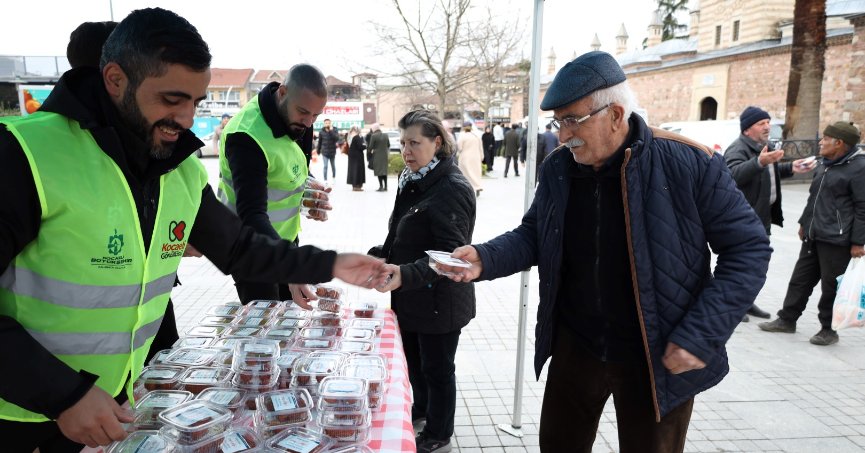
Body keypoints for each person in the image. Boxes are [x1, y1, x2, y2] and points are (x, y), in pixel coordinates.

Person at [0, 9, 388, 451]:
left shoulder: (177, 168)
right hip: (18, 412)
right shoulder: (23, 153)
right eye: (171, 99)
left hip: (106, 406)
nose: (186, 119)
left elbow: (241, 248)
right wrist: (62, 394)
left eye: (195, 103)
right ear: (115, 79)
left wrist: (329, 263)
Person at [438, 51, 771, 452]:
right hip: (577, 346)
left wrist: (703, 333)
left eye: (572, 120)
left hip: (657, 354)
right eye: (558, 122)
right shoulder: (560, 167)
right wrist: (485, 258)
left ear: (615, 114)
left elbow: (749, 249)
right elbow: (536, 232)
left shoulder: (690, 162)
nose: (562, 135)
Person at [373, 110, 476, 453]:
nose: (406, 150)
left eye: (415, 142)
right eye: (402, 143)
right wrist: (379, 256)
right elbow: (403, 234)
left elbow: (450, 254)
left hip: (439, 301)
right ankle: (420, 410)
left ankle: (439, 433)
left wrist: (403, 273)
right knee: (415, 363)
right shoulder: (413, 179)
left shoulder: (451, 187)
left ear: (437, 142)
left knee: (437, 369)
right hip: (411, 296)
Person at [218, 64, 332, 305]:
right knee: (265, 328)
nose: (309, 123)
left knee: (290, 321)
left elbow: (291, 166)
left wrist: (310, 194)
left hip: (284, 241)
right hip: (251, 248)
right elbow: (251, 214)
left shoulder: (299, 118)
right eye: (304, 112)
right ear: (282, 93)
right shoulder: (246, 136)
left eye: (316, 116)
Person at [759, 121, 865, 346]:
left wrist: (858, 241)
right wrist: (803, 222)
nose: (821, 142)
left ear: (839, 143)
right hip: (813, 233)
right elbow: (814, 196)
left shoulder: (859, 167)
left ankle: (829, 329)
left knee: (830, 286)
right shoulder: (826, 163)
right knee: (800, 279)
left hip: (838, 238)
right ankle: (787, 319)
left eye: (825, 139)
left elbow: (863, 207)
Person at [725, 106, 817, 322]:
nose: (767, 126)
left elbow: (768, 173)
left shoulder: (760, 148)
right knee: (741, 264)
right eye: (761, 123)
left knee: (755, 265)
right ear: (748, 129)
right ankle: (732, 306)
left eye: (768, 122)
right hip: (742, 220)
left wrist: (791, 167)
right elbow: (730, 176)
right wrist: (759, 162)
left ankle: (745, 303)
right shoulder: (738, 149)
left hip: (760, 218)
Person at [457, 121, 483, 196]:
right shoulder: (476, 135)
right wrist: (481, 156)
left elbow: (460, 147)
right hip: (476, 157)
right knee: (476, 172)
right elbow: (481, 148)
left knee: (465, 173)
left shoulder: (462, 135)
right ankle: (477, 186)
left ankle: (466, 189)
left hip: (465, 157)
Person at [368, 123, 390, 191]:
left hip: (377, 155)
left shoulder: (374, 136)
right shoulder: (386, 135)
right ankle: (386, 187)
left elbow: (370, 147)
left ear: (374, 129)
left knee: (378, 171)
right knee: (384, 171)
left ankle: (381, 186)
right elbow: (388, 145)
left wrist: (369, 152)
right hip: (385, 155)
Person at [346, 125, 366, 191]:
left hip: (351, 155)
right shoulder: (357, 137)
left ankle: (354, 185)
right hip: (358, 156)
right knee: (357, 170)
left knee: (352, 170)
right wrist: (366, 146)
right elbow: (361, 146)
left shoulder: (349, 136)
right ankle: (356, 186)